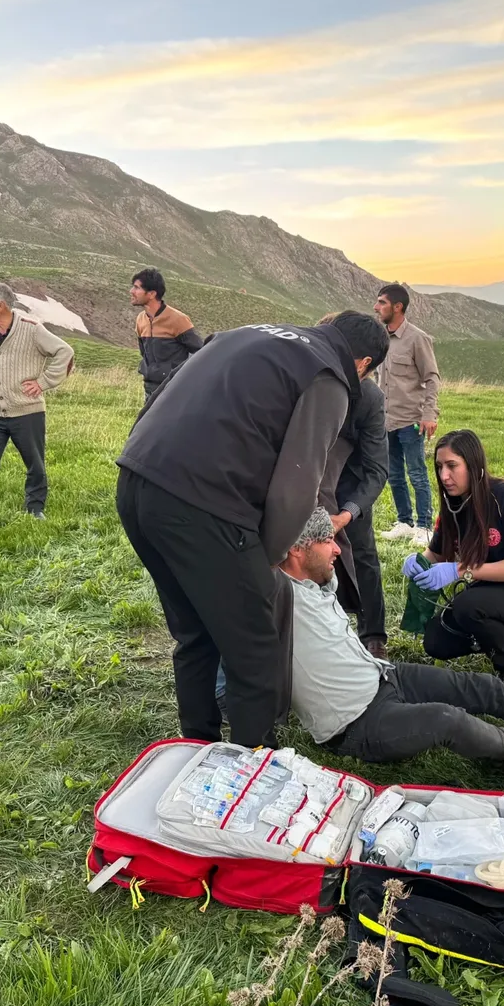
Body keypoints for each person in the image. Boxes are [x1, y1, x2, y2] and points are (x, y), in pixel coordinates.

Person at [117, 312, 389, 751]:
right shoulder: (329, 377)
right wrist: (270, 558)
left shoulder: (245, 333)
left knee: (195, 635)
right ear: (362, 364)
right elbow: (297, 487)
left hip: (137, 482)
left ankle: (198, 750)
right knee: (259, 650)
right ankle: (251, 768)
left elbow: (157, 401)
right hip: (204, 505)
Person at [283, 508, 504, 778]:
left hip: (382, 677)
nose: (337, 549)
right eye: (327, 541)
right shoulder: (274, 597)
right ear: (296, 550)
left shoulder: (317, 580)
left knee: (479, 687)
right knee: (447, 720)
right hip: (355, 722)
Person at [407, 430, 504, 688]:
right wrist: (419, 561)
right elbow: (437, 552)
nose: (443, 476)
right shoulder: (453, 503)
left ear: (473, 465)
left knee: (468, 606)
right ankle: (497, 635)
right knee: (435, 641)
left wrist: (460, 570)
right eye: (438, 467)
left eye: (452, 466)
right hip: (490, 594)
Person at [0, 283, 74, 524]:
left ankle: (35, 508)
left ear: (0, 306)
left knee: (35, 464)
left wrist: (43, 382)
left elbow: (65, 352)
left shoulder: (32, 329)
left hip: (26, 411)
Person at [315, 313, 390, 659]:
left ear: (363, 366)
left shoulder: (370, 400)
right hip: (306, 477)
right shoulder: (309, 378)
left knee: (361, 553)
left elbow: (376, 470)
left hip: (351, 484)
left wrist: (348, 513)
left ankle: (372, 632)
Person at [374, 284, 439, 547]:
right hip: (386, 419)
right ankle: (404, 522)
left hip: (411, 419)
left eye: (381, 302)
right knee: (394, 474)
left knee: (417, 473)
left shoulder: (417, 338)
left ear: (397, 307)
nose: (376, 307)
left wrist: (430, 413)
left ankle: (424, 527)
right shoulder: (379, 338)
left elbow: (432, 378)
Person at [130, 267, 203, 400]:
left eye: (137, 288)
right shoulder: (140, 319)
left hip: (173, 388)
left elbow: (201, 351)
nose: (132, 291)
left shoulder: (178, 320)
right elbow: (144, 353)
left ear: (152, 294)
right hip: (149, 386)